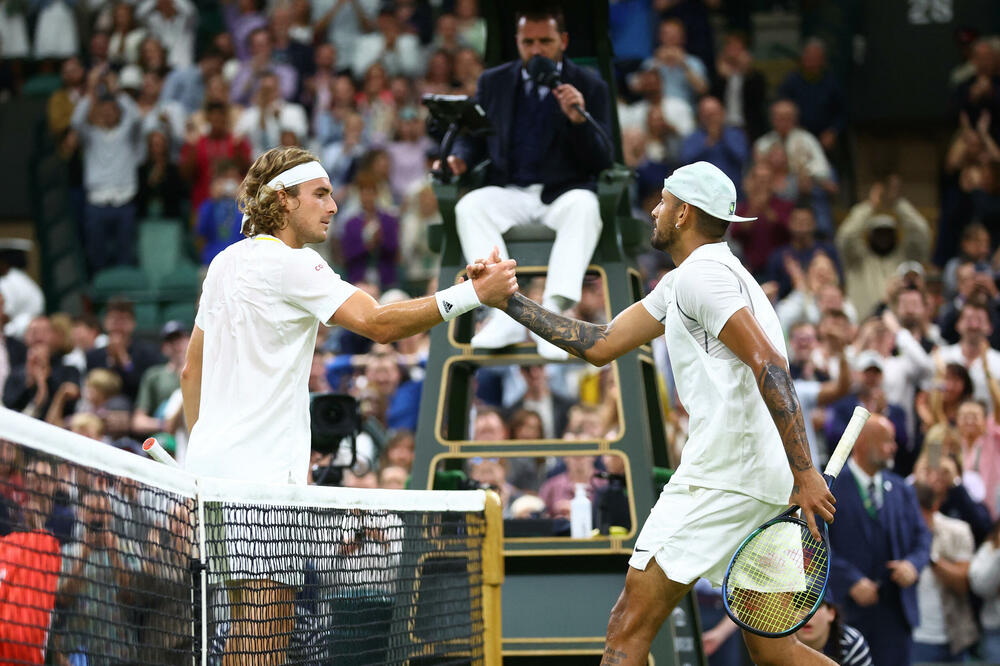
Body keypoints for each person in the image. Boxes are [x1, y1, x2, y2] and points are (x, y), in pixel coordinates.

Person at [481, 160, 836, 665]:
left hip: (725, 477)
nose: (654, 210)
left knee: (627, 626)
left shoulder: (702, 278)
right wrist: (510, 302)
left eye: (664, 202)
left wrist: (807, 473)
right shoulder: (696, 279)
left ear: (684, 213)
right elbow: (600, 344)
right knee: (775, 651)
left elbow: (771, 365)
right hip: (767, 481)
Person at [179, 146, 515, 663]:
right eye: (320, 194)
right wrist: (472, 296)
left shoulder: (223, 263)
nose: (333, 206)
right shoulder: (294, 263)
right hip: (260, 480)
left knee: (247, 622)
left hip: (209, 472)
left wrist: (202, 454)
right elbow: (378, 323)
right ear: (284, 200)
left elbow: (190, 372)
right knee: (266, 627)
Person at [441, 7, 612, 360]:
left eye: (545, 41)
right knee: (470, 206)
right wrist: (459, 158)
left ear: (563, 41)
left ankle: (553, 314)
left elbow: (603, 160)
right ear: (517, 42)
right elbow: (473, 136)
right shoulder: (494, 81)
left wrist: (579, 121)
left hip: (563, 193)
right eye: (528, 42)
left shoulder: (589, 84)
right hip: (511, 191)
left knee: (586, 206)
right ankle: (506, 309)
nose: (536, 50)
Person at [826, 415, 931, 666]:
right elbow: (815, 543)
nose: (894, 447)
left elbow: (923, 537)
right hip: (846, 614)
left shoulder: (901, 488)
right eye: (887, 441)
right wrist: (850, 580)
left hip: (896, 615)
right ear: (862, 443)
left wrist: (913, 565)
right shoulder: (828, 489)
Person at [794, 592, 874, 665]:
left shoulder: (851, 642)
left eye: (815, 605)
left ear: (831, 613)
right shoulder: (784, 642)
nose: (805, 614)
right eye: (798, 605)